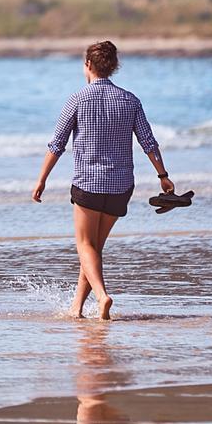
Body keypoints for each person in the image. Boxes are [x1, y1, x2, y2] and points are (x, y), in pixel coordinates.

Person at [32, 41, 172, 319]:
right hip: (120, 187)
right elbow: (148, 142)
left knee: (85, 246)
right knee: (93, 249)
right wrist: (163, 176)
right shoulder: (130, 100)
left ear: (87, 65)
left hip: (88, 185)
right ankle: (77, 308)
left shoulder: (78, 99)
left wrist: (41, 179)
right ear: (113, 67)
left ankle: (102, 296)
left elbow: (56, 144)